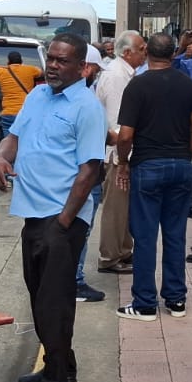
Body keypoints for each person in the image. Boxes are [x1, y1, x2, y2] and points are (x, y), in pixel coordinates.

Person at [0, 33, 106, 382]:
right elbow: (14, 136)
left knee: (53, 303)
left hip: (61, 219)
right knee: (39, 296)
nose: (53, 65)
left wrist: (64, 220)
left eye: (62, 61)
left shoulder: (86, 107)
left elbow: (91, 168)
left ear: (81, 68)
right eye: (51, 59)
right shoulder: (38, 95)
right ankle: (61, 366)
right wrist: (0, 156)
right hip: (32, 214)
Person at [114, 33, 192, 321]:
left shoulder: (137, 86)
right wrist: (188, 155)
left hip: (147, 165)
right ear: (172, 54)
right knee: (175, 234)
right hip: (181, 166)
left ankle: (144, 304)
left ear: (148, 53)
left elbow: (126, 135)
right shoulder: (188, 85)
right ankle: (176, 300)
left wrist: (123, 162)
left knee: (144, 236)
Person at [94, 30, 145, 276]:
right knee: (115, 208)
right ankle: (110, 256)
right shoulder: (116, 76)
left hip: (123, 151)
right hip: (117, 153)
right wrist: (122, 157)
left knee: (124, 207)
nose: (145, 53)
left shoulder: (126, 73)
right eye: (142, 49)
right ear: (127, 52)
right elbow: (116, 125)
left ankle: (123, 251)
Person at [74, 44, 108, 303]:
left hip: (86, 175)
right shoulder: (84, 102)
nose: (97, 74)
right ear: (86, 68)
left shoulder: (83, 97)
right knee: (80, 227)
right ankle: (74, 281)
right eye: (95, 69)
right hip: (84, 176)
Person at [0, 51, 43, 133]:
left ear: (8, 61)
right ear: (21, 60)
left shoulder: (1, 72)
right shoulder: (30, 70)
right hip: (25, 113)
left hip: (8, 114)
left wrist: (6, 67)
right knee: (25, 140)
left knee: (8, 142)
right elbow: (40, 71)